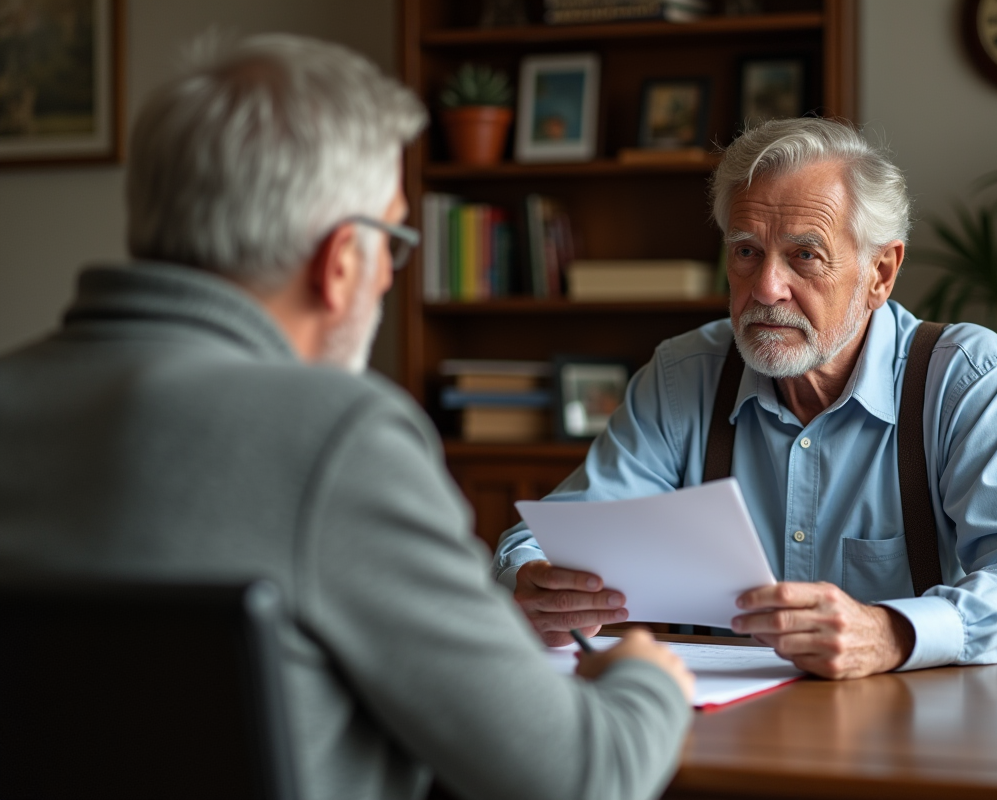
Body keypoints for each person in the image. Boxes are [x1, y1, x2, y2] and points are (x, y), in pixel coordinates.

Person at [0, 35, 695, 800]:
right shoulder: (338, 439)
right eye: (393, 243)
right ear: (339, 264)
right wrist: (641, 678)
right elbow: (581, 778)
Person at [494, 117, 997, 680]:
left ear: (880, 272)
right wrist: (534, 581)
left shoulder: (962, 375)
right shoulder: (684, 373)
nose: (766, 287)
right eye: (746, 251)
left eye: (804, 255)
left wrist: (892, 632)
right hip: (725, 729)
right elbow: (560, 534)